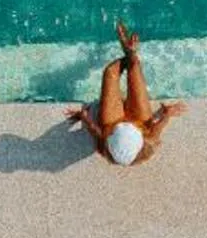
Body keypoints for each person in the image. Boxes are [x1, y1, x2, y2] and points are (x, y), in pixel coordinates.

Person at [69, 21, 185, 166]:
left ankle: (128, 55)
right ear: (141, 140)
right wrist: (167, 113)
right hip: (140, 121)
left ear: (108, 139)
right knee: (134, 67)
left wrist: (84, 117)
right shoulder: (150, 142)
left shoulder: (104, 145)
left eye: (113, 133)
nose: (124, 123)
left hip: (111, 122)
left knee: (110, 72)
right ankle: (130, 53)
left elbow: (94, 130)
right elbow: (158, 127)